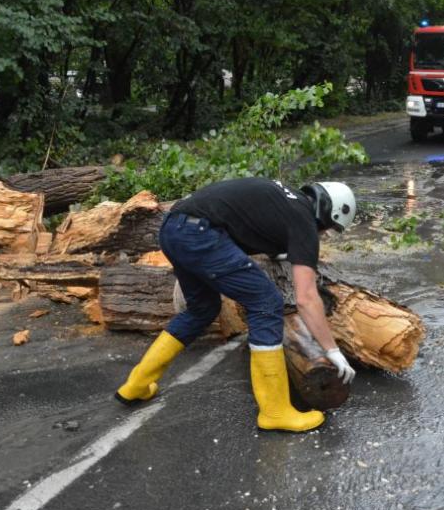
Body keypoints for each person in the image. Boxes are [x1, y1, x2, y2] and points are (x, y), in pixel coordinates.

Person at [115, 177, 357, 432]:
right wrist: (332, 351)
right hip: (199, 234)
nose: (323, 235)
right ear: (328, 214)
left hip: (172, 228)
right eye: (328, 229)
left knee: (202, 310)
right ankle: (275, 412)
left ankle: (137, 385)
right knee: (266, 302)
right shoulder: (304, 220)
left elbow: (254, 226)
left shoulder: (287, 201)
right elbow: (306, 298)